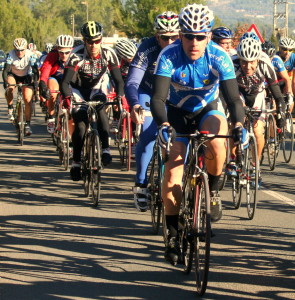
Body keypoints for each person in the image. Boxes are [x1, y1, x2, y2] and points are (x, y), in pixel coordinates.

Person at [150, 4, 245, 265]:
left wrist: (238, 125)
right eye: (188, 36)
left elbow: (234, 99)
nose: (194, 42)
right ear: (180, 35)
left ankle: (213, 191)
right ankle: (171, 234)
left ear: (209, 36)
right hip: (177, 113)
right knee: (172, 174)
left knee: (217, 143)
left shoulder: (219, 57)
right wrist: (163, 125)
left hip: (207, 109)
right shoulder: (168, 56)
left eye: (200, 36)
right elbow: (158, 98)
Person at [125, 11, 180, 212]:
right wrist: (134, 104)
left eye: (175, 36)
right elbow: (132, 82)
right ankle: (141, 184)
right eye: (165, 38)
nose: (171, 41)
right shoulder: (147, 49)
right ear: (157, 37)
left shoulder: (185, 47)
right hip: (148, 93)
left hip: (174, 95)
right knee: (149, 133)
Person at [60, 21, 125, 181]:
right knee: (81, 126)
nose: (94, 45)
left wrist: (119, 97)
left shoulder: (109, 54)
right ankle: (75, 162)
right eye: (90, 41)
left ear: (101, 39)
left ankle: (106, 150)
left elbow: (119, 81)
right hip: (78, 91)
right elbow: (64, 83)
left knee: (102, 110)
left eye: (97, 40)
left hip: (97, 88)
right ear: (84, 41)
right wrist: (68, 98)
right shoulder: (76, 55)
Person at [232, 38, 285, 165]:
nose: (248, 67)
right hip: (239, 93)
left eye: (252, 62)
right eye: (244, 62)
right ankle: (233, 160)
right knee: (234, 127)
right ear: (239, 59)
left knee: (257, 130)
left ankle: (255, 163)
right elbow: (228, 92)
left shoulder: (265, 64)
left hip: (258, 94)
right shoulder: (233, 64)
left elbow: (276, 93)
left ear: (258, 60)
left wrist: (281, 112)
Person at [2, 38, 39, 135]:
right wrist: (5, 82)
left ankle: (27, 124)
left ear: (26, 48)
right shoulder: (10, 55)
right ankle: (10, 108)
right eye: (17, 50)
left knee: (27, 99)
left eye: (22, 50)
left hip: (26, 76)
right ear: (14, 49)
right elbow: (5, 71)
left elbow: (35, 71)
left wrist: (35, 82)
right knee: (10, 87)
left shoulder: (31, 55)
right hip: (13, 75)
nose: (19, 52)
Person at [39, 35, 74, 134]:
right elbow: (46, 70)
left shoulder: (75, 55)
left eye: (67, 52)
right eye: (61, 52)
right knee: (53, 93)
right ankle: (51, 116)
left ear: (71, 50)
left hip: (69, 80)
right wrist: (42, 84)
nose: (64, 55)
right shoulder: (52, 55)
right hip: (55, 77)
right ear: (57, 49)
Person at [262, 40, 293, 112]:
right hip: (265, 82)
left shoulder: (277, 60)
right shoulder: (257, 60)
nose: (267, 60)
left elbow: (287, 79)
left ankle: (284, 114)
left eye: (270, 58)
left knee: (281, 98)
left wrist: (289, 93)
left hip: (278, 81)